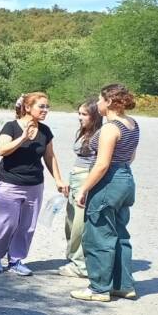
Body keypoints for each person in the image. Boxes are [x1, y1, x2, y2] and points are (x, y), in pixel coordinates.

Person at [0, 92, 67, 276]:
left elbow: (50, 156)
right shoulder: (11, 127)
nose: (45, 110)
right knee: (3, 224)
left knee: (27, 225)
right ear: (28, 108)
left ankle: (16, 260)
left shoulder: (45, 131)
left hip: (34, 185)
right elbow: (2, 150)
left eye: (47, 107)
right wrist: (23, 138)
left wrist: (59, 180)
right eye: (41, 106)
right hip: (9, 183)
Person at [71, 84, 141, 302]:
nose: (98, 104)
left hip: (108, 180)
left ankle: (98, 288)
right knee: (120, 233)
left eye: (100, 100)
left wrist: (84, 188)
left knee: (98, 234)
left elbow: (101, 164)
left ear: (110, 102)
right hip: (125, 177)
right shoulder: (132, 124)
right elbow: (130, 157)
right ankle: (123, 285)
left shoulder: (111, 128)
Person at [59, 98, 102, 278]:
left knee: (79, 225)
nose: (80, 117)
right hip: (75, 178)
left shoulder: (100, 135)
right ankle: (73, 258)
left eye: (84, 114)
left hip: (86, 179)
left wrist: (85, 187)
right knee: (69, 222)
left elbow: (100, 163)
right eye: (79, 113)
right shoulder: (84, 132)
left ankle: (81, 265)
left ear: (94, 116)